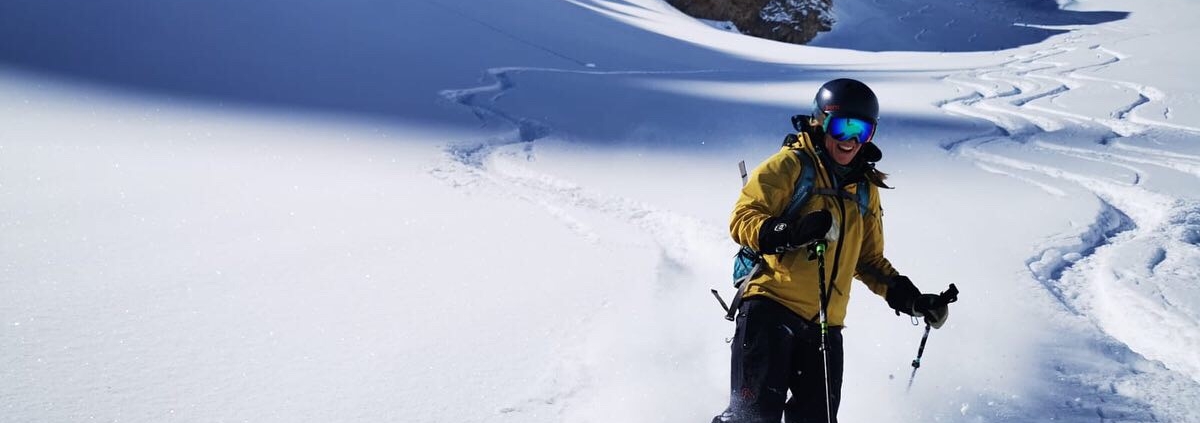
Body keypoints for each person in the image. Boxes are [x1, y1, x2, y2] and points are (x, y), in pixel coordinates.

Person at [713, 78, 953, 423]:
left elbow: (868, 261)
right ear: (820, 121)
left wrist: (912, 299)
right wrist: (787, 232)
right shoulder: (791, 165)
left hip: (825, 328)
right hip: (770, 308)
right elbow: (743, 218)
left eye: (863, 131)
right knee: (752, 418)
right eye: (843, 126)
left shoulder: (866, 190)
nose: (851, 140)